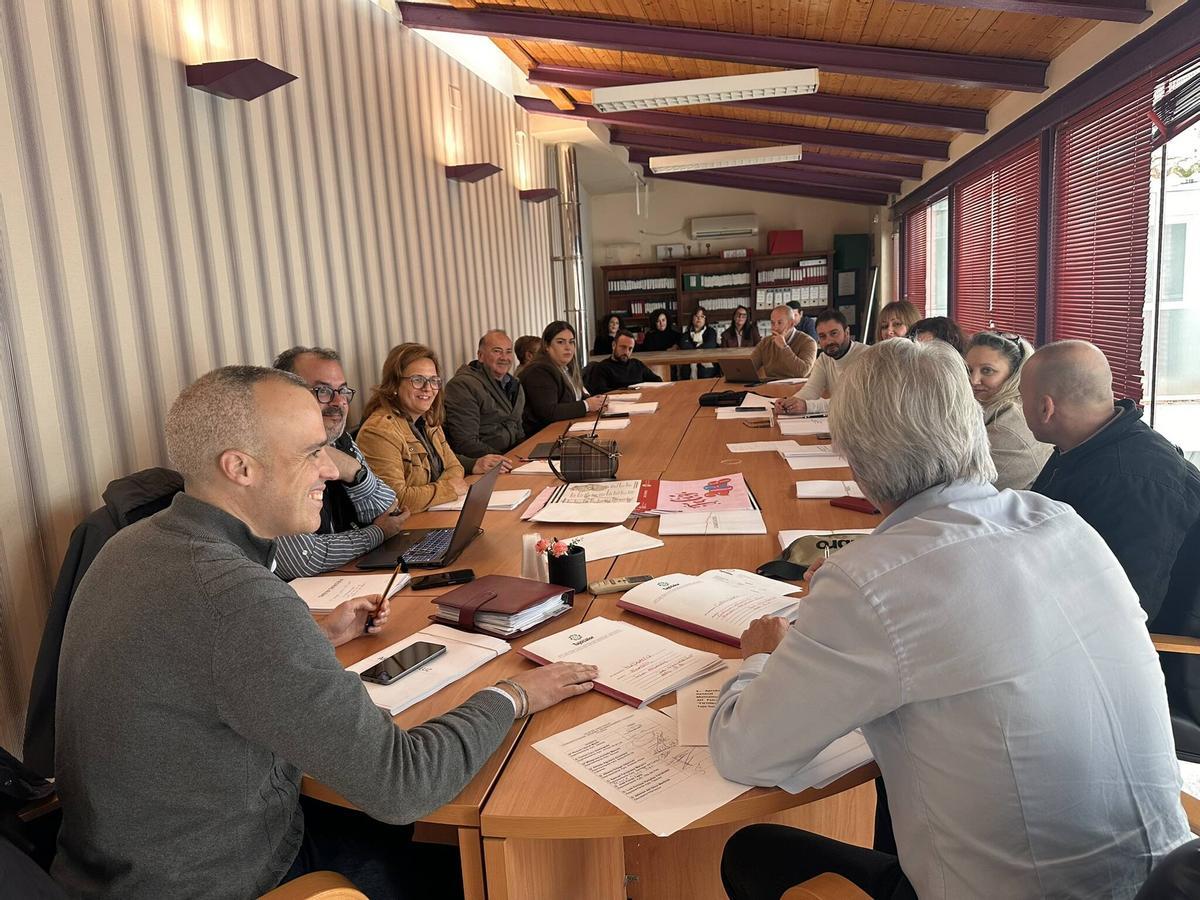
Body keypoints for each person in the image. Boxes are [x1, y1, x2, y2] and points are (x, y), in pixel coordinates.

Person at [51, 365, 598, 900]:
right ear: (240, 467)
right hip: (229, 877)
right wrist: (514, 694)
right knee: (472, 868)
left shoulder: (131, 544)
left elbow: (192, 664)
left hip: (110, 864)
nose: (328, 471)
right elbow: (403, 784)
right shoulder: (239, 600)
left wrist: (319, 634)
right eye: (311, 454)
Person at [712, 339, 1190, 900]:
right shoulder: (1062, 522)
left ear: (857, 459)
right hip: (1164, 878)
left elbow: (746, 752)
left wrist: (762, 657)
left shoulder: (869, 583)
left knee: (752, 854)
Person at [1021, 340, 1200, 724]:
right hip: (1071, 626)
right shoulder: (1085, 446)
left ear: (1045, 407)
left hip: (1152, 668)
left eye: (1022, 398)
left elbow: (1127, 610)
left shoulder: (1137, 481)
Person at [269, 346, 409, 579]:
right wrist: (376, 533)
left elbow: (389, 510)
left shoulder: (340, 441)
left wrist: (353, 470)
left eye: (342, 390)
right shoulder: (272, 455)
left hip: (346, 578)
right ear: (284, 395)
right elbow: (300, 558)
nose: (338, 401)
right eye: (323, 390)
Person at [357, 344, 468, 513]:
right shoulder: (379, 432)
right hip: (405, 528)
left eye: (433, 380)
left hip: (434, 514)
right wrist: (448, 489)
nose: (428, 388)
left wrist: (429, 494)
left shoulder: (429, 419)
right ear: (394, 385)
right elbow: (396, 500)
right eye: (418, 380)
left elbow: (455, 467)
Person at [964, 331, 1051, 491]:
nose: (973, 380)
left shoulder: (1010, 426)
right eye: (969, 370)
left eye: (987, 371)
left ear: (1015, 375)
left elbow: (967, 490)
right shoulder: (983, 406)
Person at [443, 330, 524, 475]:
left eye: (508, 352)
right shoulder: (463, 386)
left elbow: (518, 428)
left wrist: (525, 455)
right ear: (480, 356)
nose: (504, 357)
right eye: (497, 351)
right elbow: (466, 443)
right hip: (486, 467)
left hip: (512, 459)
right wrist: (507, 460)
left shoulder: (513, 384)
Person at [518, 320, 606, 434]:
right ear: (547, 346)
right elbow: (549, 412)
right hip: (543, 436)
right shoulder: (538, 371)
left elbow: (577, 398)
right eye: (560, 342)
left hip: (566, 429)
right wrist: (587, 405)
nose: (568, 347)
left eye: (571, 342)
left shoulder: (566, 368)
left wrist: (597, 402)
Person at [776, 309, 863, 416]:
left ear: (847, 333)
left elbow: (853, 402)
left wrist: (807, 406)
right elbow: (811, 390)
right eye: (822, 336)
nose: (829, 341)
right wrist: (789, 403)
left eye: (834, 333)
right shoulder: (824, 359)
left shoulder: (866, 357)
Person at [584, 329, 662, 394]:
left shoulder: (637, 364)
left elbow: (657, 381)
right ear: (614, 345)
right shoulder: (602, 367)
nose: (626, 352)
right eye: (623, 347)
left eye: (630, 349)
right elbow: (599, 393)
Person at [751, 305, 817, 380]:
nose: (775, 328)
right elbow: (750, 367)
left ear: (791, 324)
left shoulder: (808, 342)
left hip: (798, 388)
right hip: (771, 387)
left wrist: (784, 347)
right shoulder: (765, 342)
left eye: (780, 323)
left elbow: (803, 372)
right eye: (772, 323)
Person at [678, 306, 718, 379]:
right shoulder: (685, 335)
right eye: (697, 316)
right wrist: (699, 350)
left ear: (705, 319)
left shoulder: (711, 332)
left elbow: (710, 345)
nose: (699, 319)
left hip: (706, 368)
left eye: (702, 316)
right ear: (692, 318)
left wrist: (694, 351)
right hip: (688, 368)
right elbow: (684, 347)